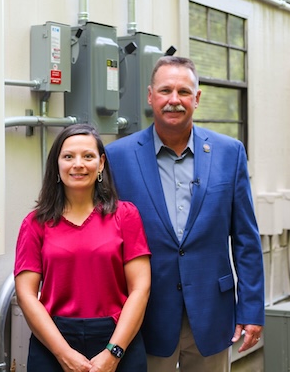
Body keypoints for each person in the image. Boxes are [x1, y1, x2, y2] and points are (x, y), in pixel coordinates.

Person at [105, 56, 265, 372]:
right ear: (150, 96)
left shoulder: (229, 153)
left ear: (197, 98)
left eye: (183, 92)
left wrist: (251, 310)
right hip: (145, 315)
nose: (174, 100)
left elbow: (246, 239)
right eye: (165, 91)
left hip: (212, 312)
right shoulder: (117, 156)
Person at [14, 123, 151, 372]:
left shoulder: (126, 215)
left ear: (100, 164)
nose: (78, 164)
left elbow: (140, 289)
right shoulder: (35, 224)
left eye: (88, 156)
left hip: (117, 337)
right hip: (54, 340)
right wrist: (63, 354)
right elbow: (26, 294)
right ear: (57, 165)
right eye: (68, 156)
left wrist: (114, 353)